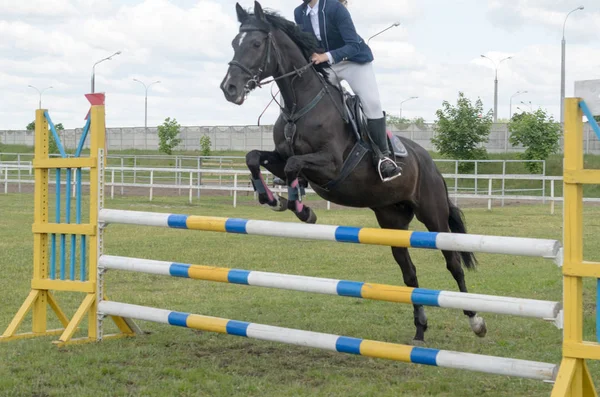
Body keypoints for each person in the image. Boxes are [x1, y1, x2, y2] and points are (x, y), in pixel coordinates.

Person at [294, 0, 402, 182]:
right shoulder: (299, 13)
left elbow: (353, 45)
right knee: (304, 97)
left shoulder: (334, 8)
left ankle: (383, 157)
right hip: (327, 66)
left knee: (372, 103)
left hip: (354, 62)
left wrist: (325, 56)